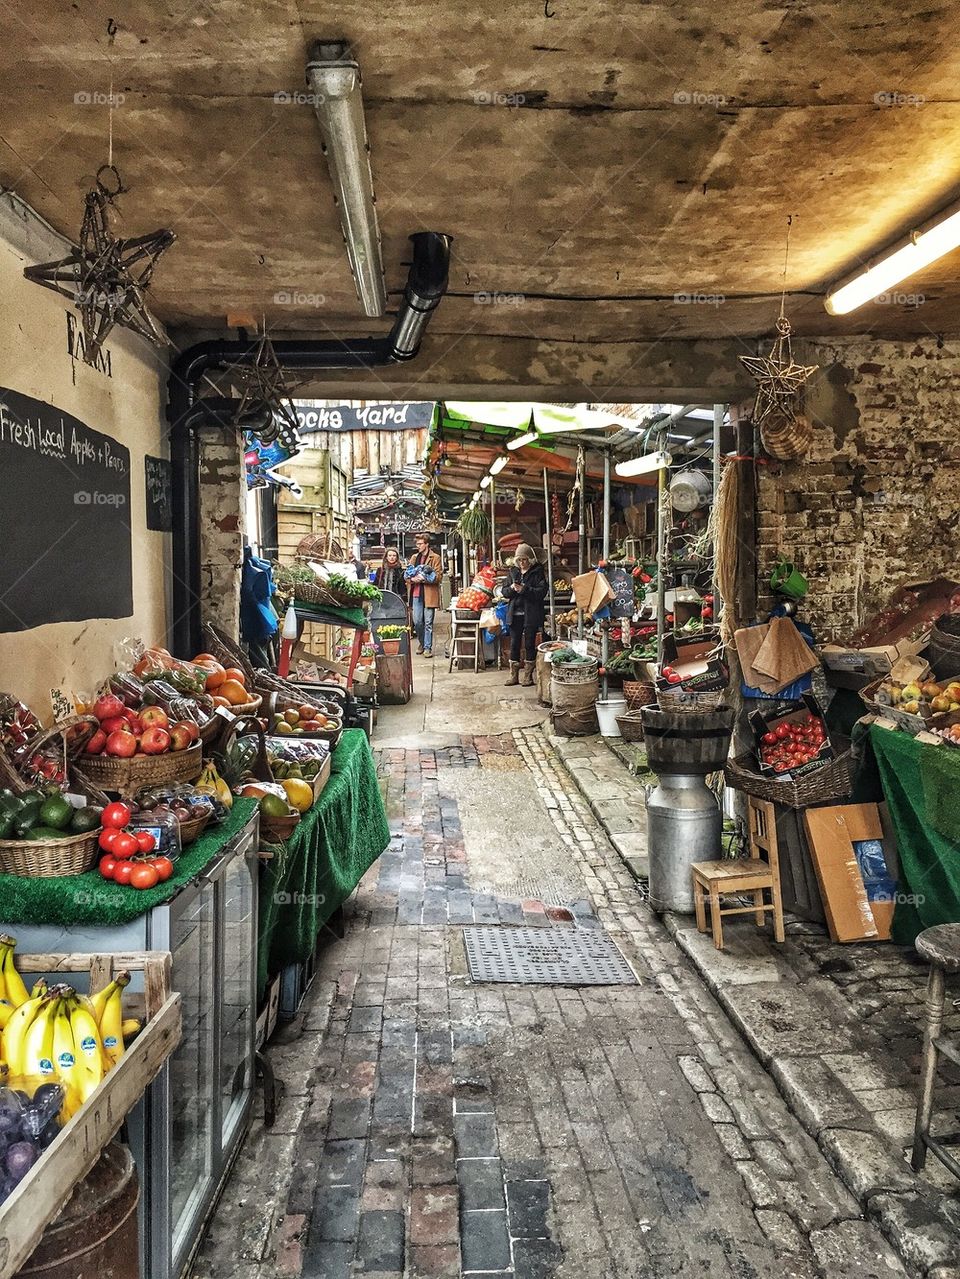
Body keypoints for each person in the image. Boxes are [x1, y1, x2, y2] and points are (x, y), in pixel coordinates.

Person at [503, 543, 548, 686]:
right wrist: (512, 588)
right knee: (514, 643)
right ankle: (513, 676)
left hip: (531, 614)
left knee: (529, 644)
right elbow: (504, 592)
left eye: (524, 559)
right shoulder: (513, 572)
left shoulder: (537, 572)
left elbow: (541, 592)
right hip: (515, 614)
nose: (522, 563)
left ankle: (528, 676)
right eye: (519, 560)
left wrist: (524, 589)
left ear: (530, 560)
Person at [407, 533, 442, 657]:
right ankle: (422, 643)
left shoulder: (435, 557)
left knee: (428, 622)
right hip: (416, 593)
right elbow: (407, 574)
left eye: (420, 544)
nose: (418, 546)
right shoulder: (414, 558)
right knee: (417, 622)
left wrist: (423, 579)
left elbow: (438, 576)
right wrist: (412, 579)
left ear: (426, 544)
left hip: (429, 594)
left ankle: (427, 647)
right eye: (417, 544)